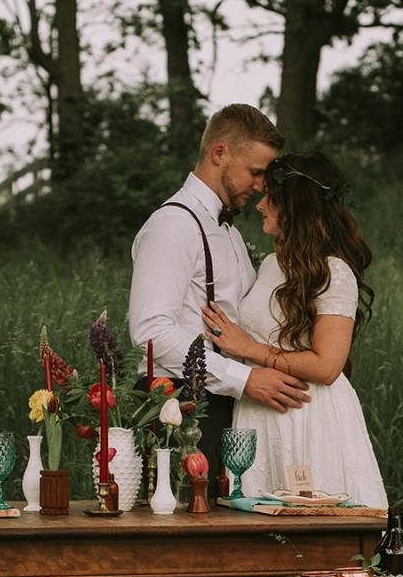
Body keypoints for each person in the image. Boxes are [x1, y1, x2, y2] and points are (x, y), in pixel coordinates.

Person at [128, 104, 311, 483]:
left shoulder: (229, 232)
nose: (261, 185)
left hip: (227, 403)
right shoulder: (173, 225)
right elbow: (150, 330)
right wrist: (244, 379)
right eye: (255, 172)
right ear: (219, 153)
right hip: (177, 407)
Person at [198, 150, 387, 509]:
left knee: (311, 524)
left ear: (295, 204)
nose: (260, 204)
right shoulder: (272, 264)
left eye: (270, 196)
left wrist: (248, 349)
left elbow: (327, 366)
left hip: (307, 416)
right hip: (260, 411)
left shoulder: (334, 272)